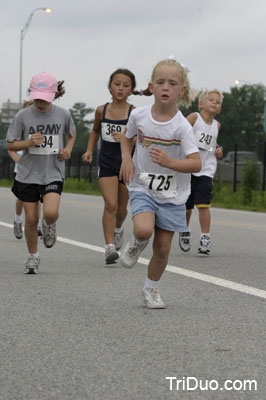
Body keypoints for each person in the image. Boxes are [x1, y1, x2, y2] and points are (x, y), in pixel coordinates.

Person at [119, 58, 201, 308]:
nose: (166, 87)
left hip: (173, 193)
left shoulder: (182, 127)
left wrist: (169, 163)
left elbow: (195, 163)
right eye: (160, 82)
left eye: (172, 83)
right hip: (143, 185)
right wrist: (127, 159)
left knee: (163, 248)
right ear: (151, 86)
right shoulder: (139, 115)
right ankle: (137, 243)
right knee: (144, 229)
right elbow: (126, 138)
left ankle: (151, 290)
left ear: (181, 91)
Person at [6, 72, 76, 274]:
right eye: (36, 97)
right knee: (30, 219)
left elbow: (72, 135)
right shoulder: (23, 115)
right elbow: (10, 144)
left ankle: (50, 225)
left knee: (51, 213)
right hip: (28, 174)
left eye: (44, 98)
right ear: (31, 94)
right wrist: (27, 143)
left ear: (54, 95)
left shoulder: (63, 114)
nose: (40, 102)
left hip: (53, 171)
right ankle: (33, 255)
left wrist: (68, 149)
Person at [82, 68, 137, 265]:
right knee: (111, 204)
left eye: (126, 85)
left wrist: (127, 137)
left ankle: (118, 228)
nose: (121, 88)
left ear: (131, 89)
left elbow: (142, 139)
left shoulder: (134, 113)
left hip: (126, 165)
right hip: (106, 162)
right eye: (117, 84)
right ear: (109, 87)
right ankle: (109, 247)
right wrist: (89, 151)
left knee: (121, 210)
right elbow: (95, 131)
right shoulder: (101, 110)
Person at [178, 90, 223, 255]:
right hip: (189, 166)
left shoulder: (217, 125)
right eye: (211, 100)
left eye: (217, 102)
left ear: (219, 109)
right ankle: (184, 229)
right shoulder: (194, 118)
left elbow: (213, 145)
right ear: (201, 104)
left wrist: (219, 151)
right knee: (187, 203)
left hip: (206, 170)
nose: (214, 103)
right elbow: (180, 133)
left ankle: (205, 237)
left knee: (204, 203)